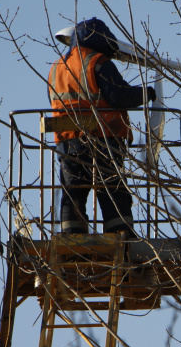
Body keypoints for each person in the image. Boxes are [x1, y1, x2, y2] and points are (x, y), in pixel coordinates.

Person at [48, 17, 155, 238]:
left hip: (68, 143)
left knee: (73, 190)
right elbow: (118, 95)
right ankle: (120, 236)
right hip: (101, 140)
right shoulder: (97, 62)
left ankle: (71, 238)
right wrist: (148, 93)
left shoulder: (56, 67)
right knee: (112, 190)